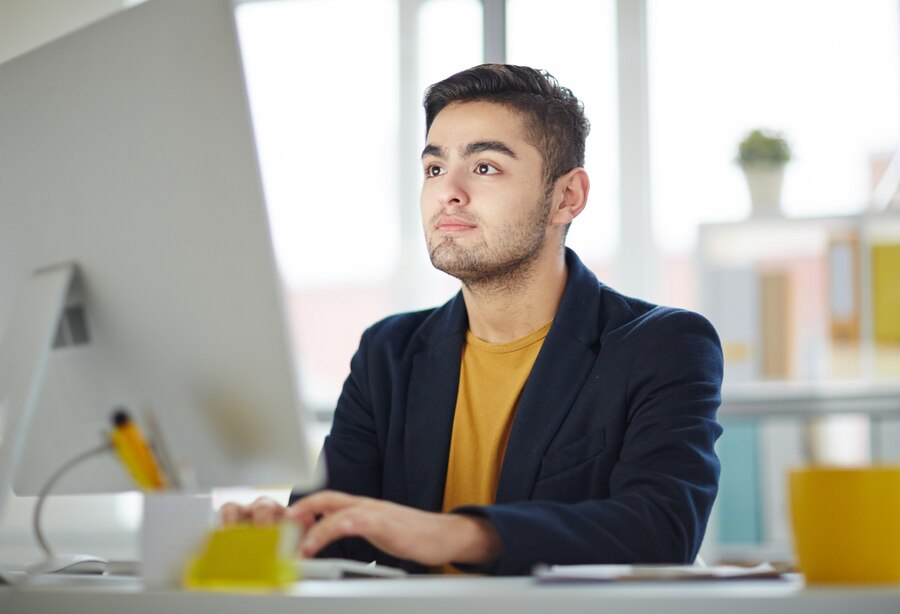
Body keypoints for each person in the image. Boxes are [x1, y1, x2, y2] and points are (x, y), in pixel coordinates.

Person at [222, 64, 724, 576]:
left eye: (485, 167)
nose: (448, 192)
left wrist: (454, 533)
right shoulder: (388, 352)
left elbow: (662, 530)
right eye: (434, 169)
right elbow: (330, 535)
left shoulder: (664, 345)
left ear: (567, 197)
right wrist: (280, 533)